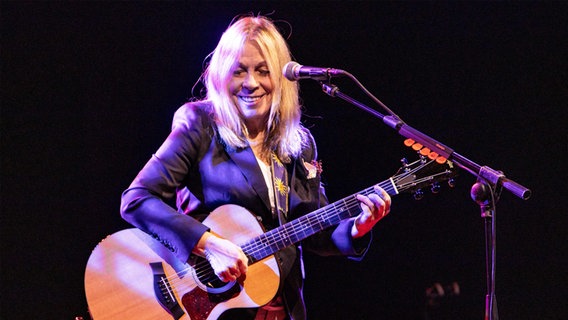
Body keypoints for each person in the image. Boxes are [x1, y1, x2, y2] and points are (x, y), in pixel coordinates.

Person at [120, 14, 391, 320]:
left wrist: (357, 228)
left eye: (263, 71)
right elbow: (137, 199)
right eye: (239, 71)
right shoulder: (201, 125)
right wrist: (209, 245)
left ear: (282, 78)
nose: (251, 83)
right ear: (223, 75)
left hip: (281, 308)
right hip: (211, 306)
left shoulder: (298, 144)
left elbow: (314, 229)